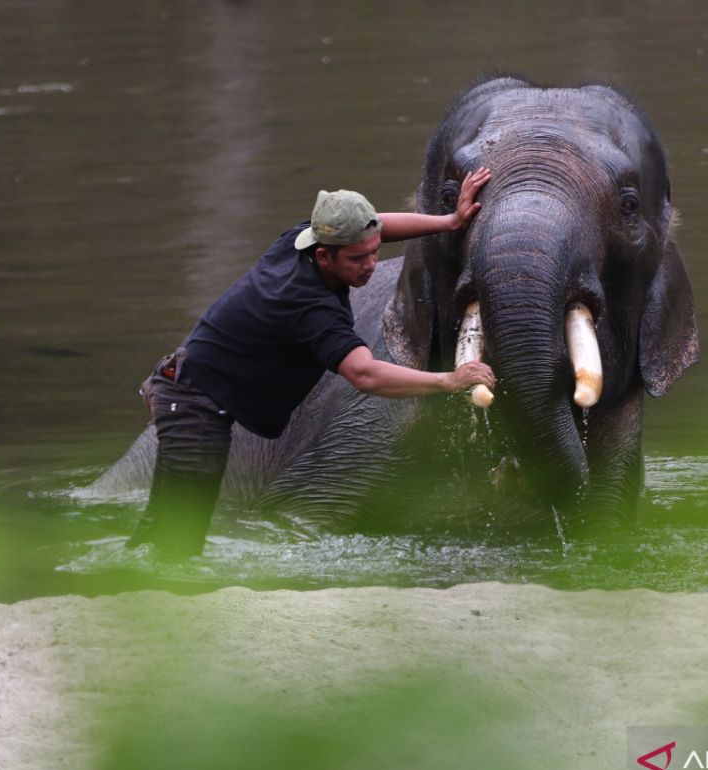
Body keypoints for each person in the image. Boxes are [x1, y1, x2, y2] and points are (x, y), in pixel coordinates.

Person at [129, 168, 496, 557]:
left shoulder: (301, 239)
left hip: (185, 385)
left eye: (375, 252)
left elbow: (378, 226)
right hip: (192, 402)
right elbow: (364, 373)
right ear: (324, 255)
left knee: (167, 516)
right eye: (358, 258)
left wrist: (451, 221)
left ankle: (132, 577)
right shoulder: (309, 305)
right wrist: (449, 381)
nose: (371, 265)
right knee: (184, 525)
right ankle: (170, 591)